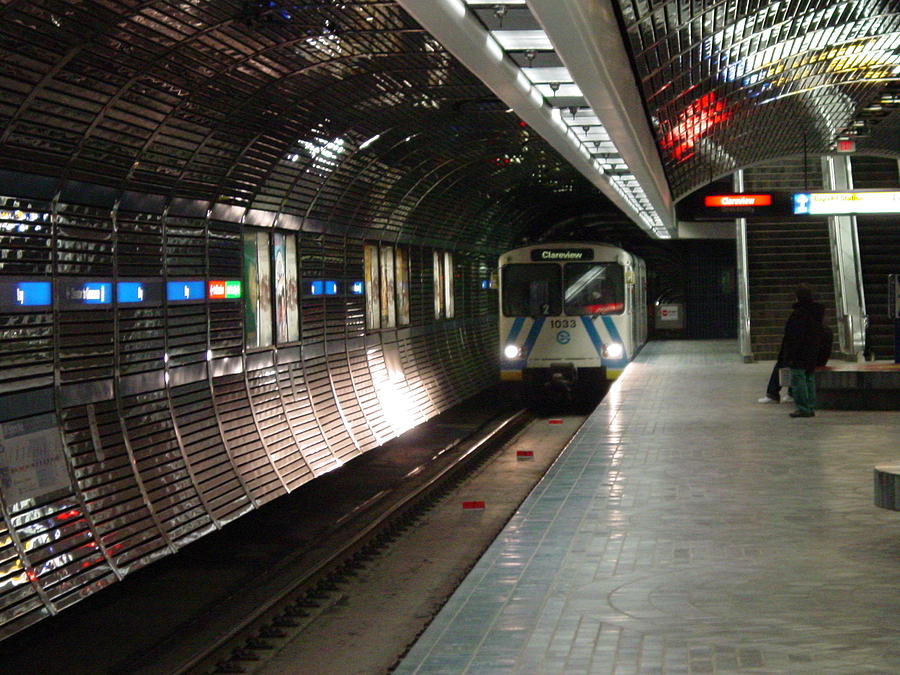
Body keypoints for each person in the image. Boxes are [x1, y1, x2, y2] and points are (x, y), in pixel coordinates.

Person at [779, 283, 826, 418]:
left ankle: (803, 407)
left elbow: (794, 335)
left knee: (798, 379)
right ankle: (810, 406)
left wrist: (789, 352)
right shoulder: (816, 313)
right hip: (812, 350)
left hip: (799, 352)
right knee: (809, 378)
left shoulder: (799, 314)